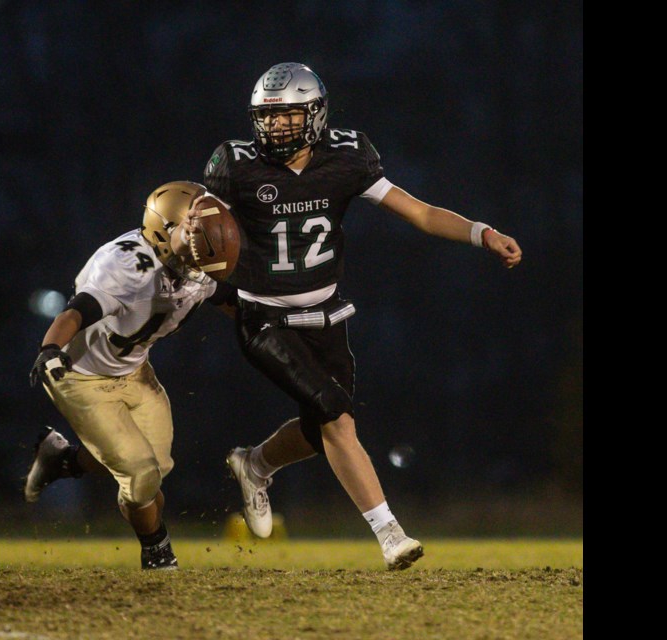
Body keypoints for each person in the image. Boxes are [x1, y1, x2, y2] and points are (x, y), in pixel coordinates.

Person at [200, 62, 522, 570]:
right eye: (267, 117)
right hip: (264, 317)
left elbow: (417, 211)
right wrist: (207, 285)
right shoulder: (234, 164)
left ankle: (255, 463)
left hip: (327, 311)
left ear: (316, 114)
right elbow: (201, 236)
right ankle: (390, 534)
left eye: (287, 117)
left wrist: (479, 231)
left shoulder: (347, 157)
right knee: (334, 415)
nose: (275, 128)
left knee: (322, 427)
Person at [29, 181, 234, 570]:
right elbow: (77, 311)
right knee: (140, 478)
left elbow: (226, 298)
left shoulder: (197, 264)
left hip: (136, 371)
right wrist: (49, 349)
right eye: (191, 229)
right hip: (80, 375)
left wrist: (272, 325)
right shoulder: (126, 264)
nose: (202, 238)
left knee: (155, 471)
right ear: (164, 227)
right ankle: (157, 551)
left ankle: (64, 460)